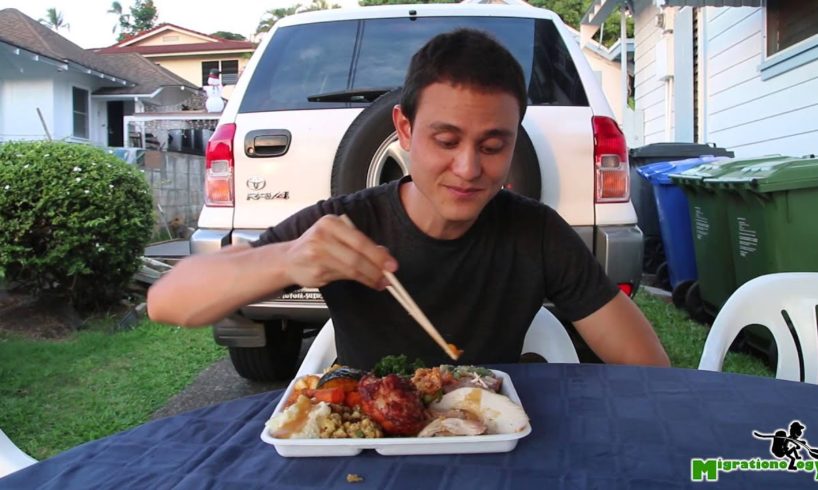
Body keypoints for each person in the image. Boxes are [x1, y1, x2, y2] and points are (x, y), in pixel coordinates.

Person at [148, 28, 670, 370]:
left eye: (494, 146)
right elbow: (168, 301)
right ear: (404, 128)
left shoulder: (535, 233)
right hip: (369, 448)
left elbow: (648, 368)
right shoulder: (348, 224)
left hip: (489, 436)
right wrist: (287, 257)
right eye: (446, 141)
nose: (468, 169)